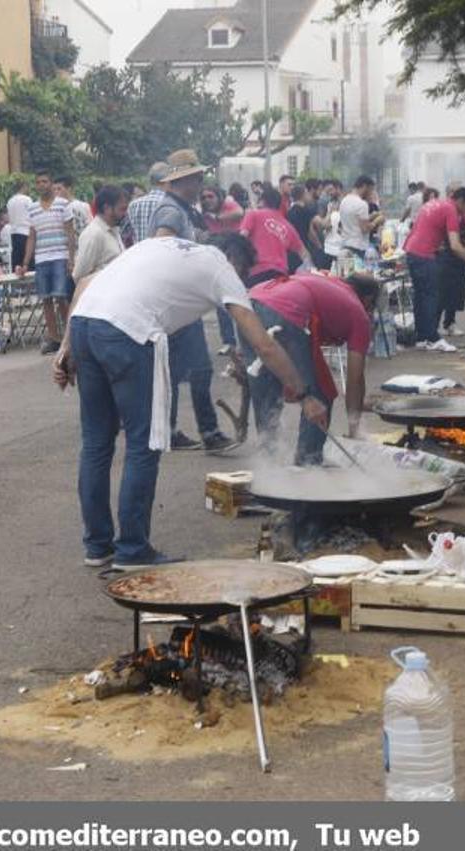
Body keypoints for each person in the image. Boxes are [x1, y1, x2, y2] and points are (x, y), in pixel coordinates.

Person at [55, 231, 323, 570]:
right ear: (235, 261)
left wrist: (66, 348)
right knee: (144, 443)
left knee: (95, 443)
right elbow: (265, 345)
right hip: (128, 333)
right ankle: (132, 550)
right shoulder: (220, 267)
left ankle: (97, 547)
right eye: (242, 275)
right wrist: (303, 393)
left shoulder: (159, 244)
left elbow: (84, 283)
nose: (238, 284)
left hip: (84, 324)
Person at [244, 268, 380, 464]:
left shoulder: (330, 284)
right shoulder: (358, 313)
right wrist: (354, 428)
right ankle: (308, 466)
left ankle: (269, 466)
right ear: (367, 300)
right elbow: (355, 378)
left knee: (268, 391)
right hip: (286, 311)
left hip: (250, 302)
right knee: (319, 396)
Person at [150, 150, 236, 453]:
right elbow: (161, 250)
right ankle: (206, 432)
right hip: (177, 305)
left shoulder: (180, 208)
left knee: (176, 372)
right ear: (182, 180)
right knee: (197, 369)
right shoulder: (172, 212)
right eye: (197, 178)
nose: (201, 183)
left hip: (177, 305)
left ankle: (173, 431)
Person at [403, 187, 465, 352]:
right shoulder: (451, 210)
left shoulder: (434, 203)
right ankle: (432, 338)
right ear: (461, 201)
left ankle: (422, 337)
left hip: (411, 251)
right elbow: (455, 246)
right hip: (424, 255)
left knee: (421, 297)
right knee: (432, 296)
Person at [16, 170, 78, 355]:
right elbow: (31, 237)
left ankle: (71, 337)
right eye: (38, 182)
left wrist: (71, 259)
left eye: (44, 181)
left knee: (61, 298)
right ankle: (54, 338)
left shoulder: (63, 205)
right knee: (46, 300)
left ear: (51, 184)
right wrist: (26, 262)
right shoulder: (32, 208)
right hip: (42, 259)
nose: (41, 185)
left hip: (60, 257)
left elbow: (70, 233)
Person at [201, 183, 244, 351]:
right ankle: (229, 341)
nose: (207, 200)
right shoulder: (201, 211)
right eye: (204, 197)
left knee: (240, 295)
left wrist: (216, 218)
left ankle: (246, 338)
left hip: (235, 250)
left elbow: (239, 213)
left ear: (219, 196)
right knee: (221, 297)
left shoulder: (228, 204)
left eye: (210, 196)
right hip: (216, 251)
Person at [239, 187, 309, 286]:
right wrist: (310, 271)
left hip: (256, 272)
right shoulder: (287, 226)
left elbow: (241, 239)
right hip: (280, 276)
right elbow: (304, 253)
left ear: (262, 201)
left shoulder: (253, 214)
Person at [438, 191, 465, 338]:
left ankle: (450, 323)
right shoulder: (449, 212)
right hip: (446, 257)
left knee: (455, 293)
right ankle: (436, 326)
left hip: (459, 257)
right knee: (443, 292)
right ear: (460, 201)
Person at [72, 184, 127, 284]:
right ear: (107, 208)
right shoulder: (93, 234)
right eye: (122, 209)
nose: (125, 214)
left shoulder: (113, 230)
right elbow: (79, 276)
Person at [339, 175, 385, 260]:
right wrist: (377, 221)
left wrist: (372, 216)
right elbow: (365, 229)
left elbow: (354, 219)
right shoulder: (362, 204)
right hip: (358, 247)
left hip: (345, 244)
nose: (371, 193)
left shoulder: (344, 201)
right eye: (371, 189)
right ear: (364, 186)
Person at [127, 162, 171, 244]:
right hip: (163, 254)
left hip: (139, 253)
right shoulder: (170, 204)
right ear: (167, 180)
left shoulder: (133, 205)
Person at [286, 184, 325, 269]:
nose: (309, 196)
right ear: (303, 195)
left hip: (291, 252)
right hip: (303, 250)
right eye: (307, 193)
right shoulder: (306, 211)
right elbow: (319, 225)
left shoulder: (289, 212)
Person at [6, 178, 32, 270]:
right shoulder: (27, 199)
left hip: (14, 233)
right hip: (26, 232)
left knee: (17, 261)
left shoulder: (10, 201)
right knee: (27, 261)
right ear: (24, 187)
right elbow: (32, 215)